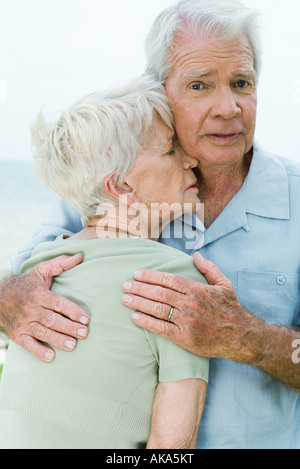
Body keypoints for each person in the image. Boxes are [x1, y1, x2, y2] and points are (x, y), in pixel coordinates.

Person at [0, 0, 299, 449]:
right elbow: (20, 287)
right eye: (200, 85)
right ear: (161, 92)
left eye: (242, 83)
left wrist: (251, 339)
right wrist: (8, 295)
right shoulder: (113, 192)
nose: (228, 106)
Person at [0, 77, 209, 449]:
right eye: (171, 149)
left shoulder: (40, 263)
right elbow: (172, 447)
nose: (191, 158)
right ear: (122, 186)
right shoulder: (174, 277)